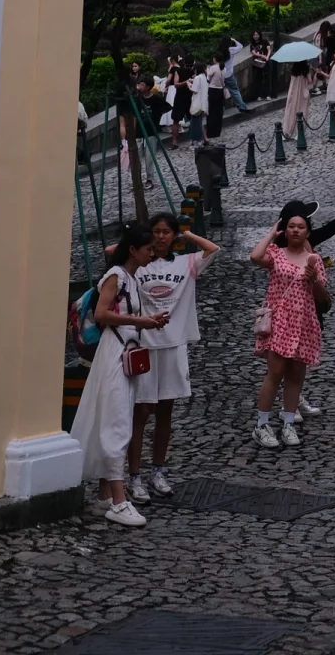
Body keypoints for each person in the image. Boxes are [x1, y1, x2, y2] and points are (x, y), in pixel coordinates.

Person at [70, 222, 169, 525]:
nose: (153, 253)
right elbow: (102, 314)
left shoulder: (129, 277)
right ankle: (118, 500)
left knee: (116, 417)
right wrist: (140, 322)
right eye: (148, 248)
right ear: (133, 250)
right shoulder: (116, 276)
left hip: (125, 354)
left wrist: (145, 320)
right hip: (115, 355)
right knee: (117, 422)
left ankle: (104, 496)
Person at [127, 215, 218, 502]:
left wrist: (187, 235)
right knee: (140, 413)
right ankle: (134, 474)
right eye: (156, 232)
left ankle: (158, 469)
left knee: (166, 410)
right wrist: (140, 239)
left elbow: (213, 249)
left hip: (173, 344)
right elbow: (111, 252)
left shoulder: (186, 264)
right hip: (144, 345)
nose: (161, 237)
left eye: (167, 232)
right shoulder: (139, 265)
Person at [274, 196, 335, 417]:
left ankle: (296, 398)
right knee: (288, 358)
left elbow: (331, 228)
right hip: (289, 311)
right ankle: (286, 405)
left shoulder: (308, 240)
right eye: (296, 223)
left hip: (310, 308)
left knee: (301, 358)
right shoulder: (282, 248)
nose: (302, 226)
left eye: (303, 223)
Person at [251, 211, 331, 447]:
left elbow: (323, 298)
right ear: (285, 230)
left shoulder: (313, 260)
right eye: (291, 226)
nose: (296, 230)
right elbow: (255, 257)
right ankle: (262, 425)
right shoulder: (276, 254)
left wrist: (313, 278)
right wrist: (270, 234)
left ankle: (287, 424)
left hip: (304, 322)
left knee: (296, 376)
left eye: (301, 227)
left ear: (307, 232)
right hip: (280, 322)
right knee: (275, 373)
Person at [283, 60, 311, 140]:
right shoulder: (306, 69)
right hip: (303, 93)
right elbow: (310, 81)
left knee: (290, 111)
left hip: (293, 93)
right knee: (302, 111)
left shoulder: (294, 69)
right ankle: (299, 132)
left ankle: (287, 131)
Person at [167, 58, 191, 148]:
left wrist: (184, 82)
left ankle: (174, 142)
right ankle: (203, 139)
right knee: (194, 118)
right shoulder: (191, 71)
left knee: (176, 120)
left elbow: (176, 84)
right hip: (187, 96)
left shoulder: (178, 71)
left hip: (182, 96)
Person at [224, 38, 250, 114]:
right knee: (234, 90)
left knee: (220, 92)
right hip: (229, 74)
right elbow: (240, 46)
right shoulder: (231, 50)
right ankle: (241, 106)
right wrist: (234, 40)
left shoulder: (219, 51)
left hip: (220, 75)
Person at [205, 52, 226, 138]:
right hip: (220, 90)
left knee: (211, 111)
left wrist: (207, 70)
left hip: (213, 90)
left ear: (215, 59)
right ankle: (217, 131)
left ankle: (210, 131)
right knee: (218, 112)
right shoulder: (224, 68)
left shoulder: (213, 67)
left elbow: (208, 78)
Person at [188, 60, 209, 143]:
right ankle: (205, 138)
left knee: (196, 123)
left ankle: (196, 140)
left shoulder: (197, 78)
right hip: (203, 102)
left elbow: (195, 90)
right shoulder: (204, 76)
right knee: (200, 122)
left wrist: (189, 85)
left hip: (197, 102)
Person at [248, 31, 271, 101]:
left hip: (266, 62)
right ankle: (259, 95)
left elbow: (269, 49)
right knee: (258, 79)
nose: (255, 36)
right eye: (254, 35)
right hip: (257, 63)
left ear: (259, 35)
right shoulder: (252, 44)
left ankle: (268, 95)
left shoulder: (264, 41)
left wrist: (267, 57)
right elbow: (253, 53)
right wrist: (261, 55)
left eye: (257, 35)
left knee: (267, 78)